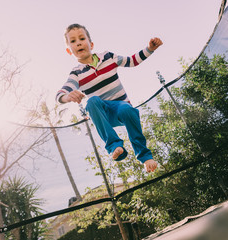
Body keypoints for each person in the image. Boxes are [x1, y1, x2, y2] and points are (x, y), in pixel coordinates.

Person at [56, 23, 162, 172]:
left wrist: (150, 49)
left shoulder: (108, 57)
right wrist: (67, 96)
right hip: (104, 114)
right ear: (69, 51)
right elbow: (60, 94)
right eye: (73, 41)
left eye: (81, 38)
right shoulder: (77, 73)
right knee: (92, 102)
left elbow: (132, 61)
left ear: (91, 44)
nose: (78, 42)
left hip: (121, 108)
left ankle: (145, 156)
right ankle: (114, 146)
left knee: (126, 109)